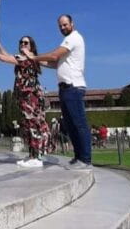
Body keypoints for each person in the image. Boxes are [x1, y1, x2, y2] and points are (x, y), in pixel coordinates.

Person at [22, 15, 90, 170]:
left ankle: (85, 159)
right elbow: (54, 63)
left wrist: (34, 56)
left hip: (73, 87)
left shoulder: (73, 38)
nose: (62, 28)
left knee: (79, 124)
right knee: (71, 125)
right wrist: (34, 59)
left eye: (65, 25)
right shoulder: (67, 41)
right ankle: (78, 157)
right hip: (65, 88)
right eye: (60, 26)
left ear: (72, 23)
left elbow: (54, 56)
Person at [0, 35, 54, 167]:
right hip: (23, 97)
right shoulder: (20, 58)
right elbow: (7, 56)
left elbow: (3, 58)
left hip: (32, 96)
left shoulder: (33, 58)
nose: (23, 44)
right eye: (21, 42)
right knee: (28, 125)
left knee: (33, 125)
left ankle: (36, 157)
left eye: (26, 43)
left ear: (31, 46)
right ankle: (31, 155)